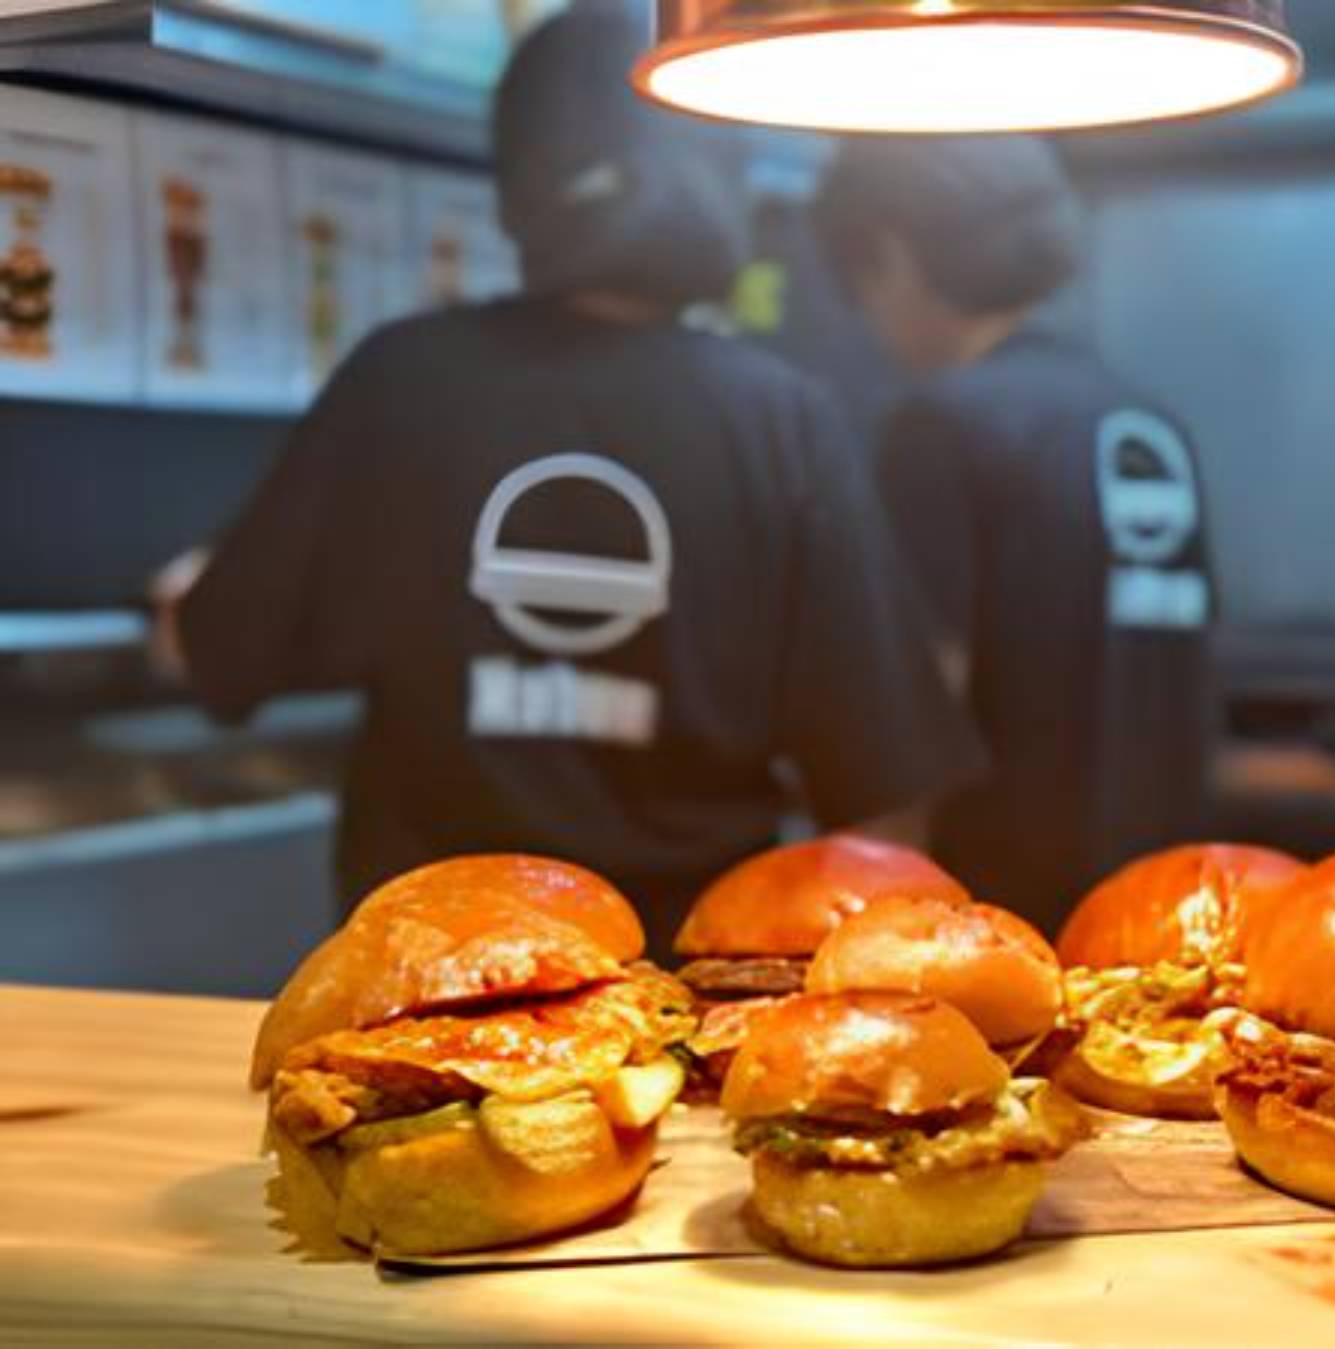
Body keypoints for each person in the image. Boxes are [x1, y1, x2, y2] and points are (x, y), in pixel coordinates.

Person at [154, 5, 982, 954]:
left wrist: (182, 598)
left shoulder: (403, 379)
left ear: (520, 181)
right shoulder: (781, 418)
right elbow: (885, 794)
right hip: (681, 1005)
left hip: (429, 989)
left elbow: (212, 652)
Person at [813, 136, 1217, 929]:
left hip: (1001, 916)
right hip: (1158, 911)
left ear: (891, 254)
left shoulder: (941, 423)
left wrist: (871, 909)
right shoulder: (1146, 422)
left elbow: (918, 704)